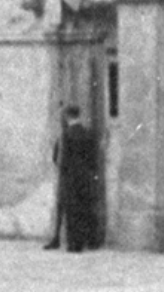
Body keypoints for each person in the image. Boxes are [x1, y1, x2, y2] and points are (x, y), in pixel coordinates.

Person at [46, 103, 101, 254]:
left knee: (70, 211)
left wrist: (62, 169)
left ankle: (73, 244)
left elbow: (59, 158)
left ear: (67, 116)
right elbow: (93, 158)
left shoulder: (66, 135)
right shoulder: (88, 133)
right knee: (84, 209)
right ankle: (86, 241)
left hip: (69, 178)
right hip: (85, 177)